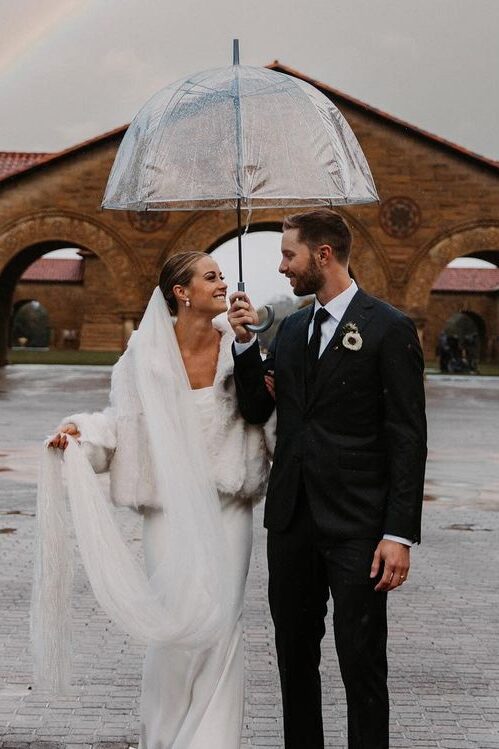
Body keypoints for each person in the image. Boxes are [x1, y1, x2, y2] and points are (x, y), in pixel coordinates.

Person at [42, 251, 273, 749]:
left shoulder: (239, 348)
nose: (222, 283)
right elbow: (122, 423)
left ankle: (212, 742)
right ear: (181, 292)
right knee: (175, 626)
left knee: (220, 626)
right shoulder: (142, 357)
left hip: (227, 506)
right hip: (168, 512)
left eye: (222, 275)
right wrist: (80, 434)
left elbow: (265, 415)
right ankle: (165, 737)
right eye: (210, 277)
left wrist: (250, 344)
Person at [228, 209, 427, 749]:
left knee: (360, 660)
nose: (282, 265)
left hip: (359, 526)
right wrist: (246, 345)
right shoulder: (291, 330)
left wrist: (398, 533)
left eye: (289, 254)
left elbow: (407, 437)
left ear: (323, 255)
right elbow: (254, 410)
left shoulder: (388, 328)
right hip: (292, 520)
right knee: (294, 657)